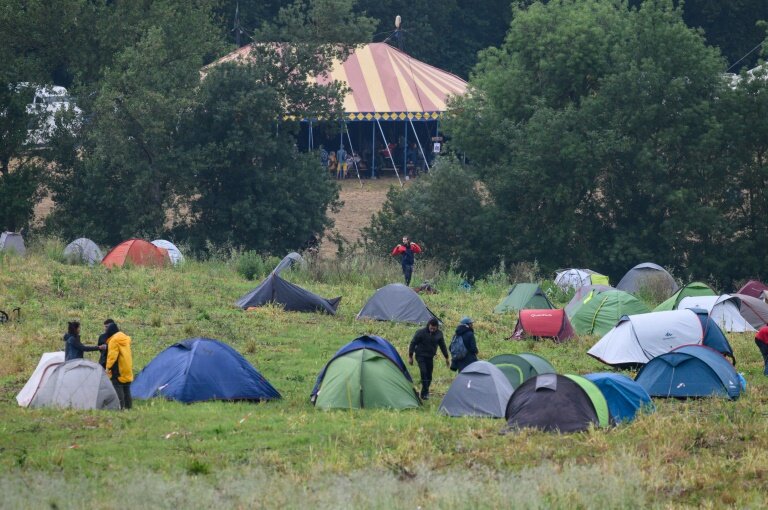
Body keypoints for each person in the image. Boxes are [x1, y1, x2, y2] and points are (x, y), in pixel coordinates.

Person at [408, 318, 449, 400]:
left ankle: (423, 393)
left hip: (430, 357)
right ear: (428, 325)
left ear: (437, 327)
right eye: (431, 328)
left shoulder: (439, 334)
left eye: (434, 328)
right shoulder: (421, 332)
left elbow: (443, 346)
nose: (432, 330)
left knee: (429, 376)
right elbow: (413, 343)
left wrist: (447, 358)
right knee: (423, 372)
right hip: (420, 356)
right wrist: (410, 356)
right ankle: (426, 392)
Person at [104, 320, 134, 409]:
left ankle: (120, 408)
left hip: (118, 369)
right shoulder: (125, 338)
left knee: (118, 387)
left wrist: (108, 367)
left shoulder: (114, 340)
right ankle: (129, 408)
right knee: (126, 388)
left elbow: (112, 356)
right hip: (127, 367)